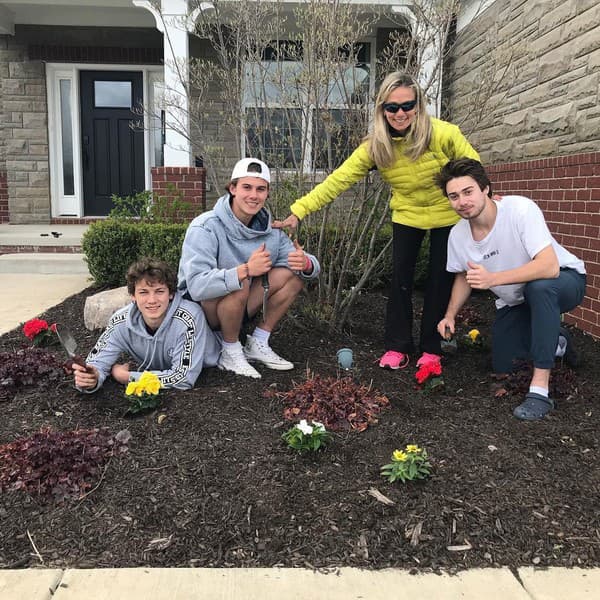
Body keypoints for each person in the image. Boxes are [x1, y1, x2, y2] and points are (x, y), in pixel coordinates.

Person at [273, 71, 479, 372]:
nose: (400, 113)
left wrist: (486, 201)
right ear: (382, 109)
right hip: (407, 215)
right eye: (392, 107)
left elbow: (474, 168)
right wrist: (299, 210)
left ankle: (432, 350)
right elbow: (338, 180)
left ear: (418, 105)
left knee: (439, 281)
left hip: (447, 216)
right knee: (400, 282)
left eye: (407, 105)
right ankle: (398, 347)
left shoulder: (443, 133)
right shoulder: (376, 146)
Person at [435, 158, 586, 421]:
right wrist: (450, 315)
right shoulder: (458, 235)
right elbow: (463, 275)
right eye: (454, 196)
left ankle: (540, 392)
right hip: (516, 301)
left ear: (485, 189)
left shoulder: (519, 209)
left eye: (468, 192)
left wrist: (493, 279)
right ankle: (557, 341)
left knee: (539, 288)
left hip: (564, 281)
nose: (462, 201)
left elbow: (549, 267)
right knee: (505, 366)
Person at [177, 157, 320, 379]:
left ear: (267, 193)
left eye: (260, 189)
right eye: (247, 187)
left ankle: (258, 343)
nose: (254, 195)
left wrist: (307, 263)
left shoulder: (271, 232)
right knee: (241, 279)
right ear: (232, 188)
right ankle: (230, 350)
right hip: (202, 312)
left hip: (239, 307)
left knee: (294, 274)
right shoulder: (205, 227)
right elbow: (195, 286)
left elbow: (308, 264)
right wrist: (245, 270)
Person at [72, 258, 220, 392]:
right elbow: (96, 362)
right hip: (164, 369)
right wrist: (92, 378)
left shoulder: (189, 317)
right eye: (143, 292)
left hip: (211, 369)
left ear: (171, 294)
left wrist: (127, 377)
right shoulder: (120, 321)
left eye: (159, 291)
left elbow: (183, 378)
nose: (152, 300)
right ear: (133, 296)